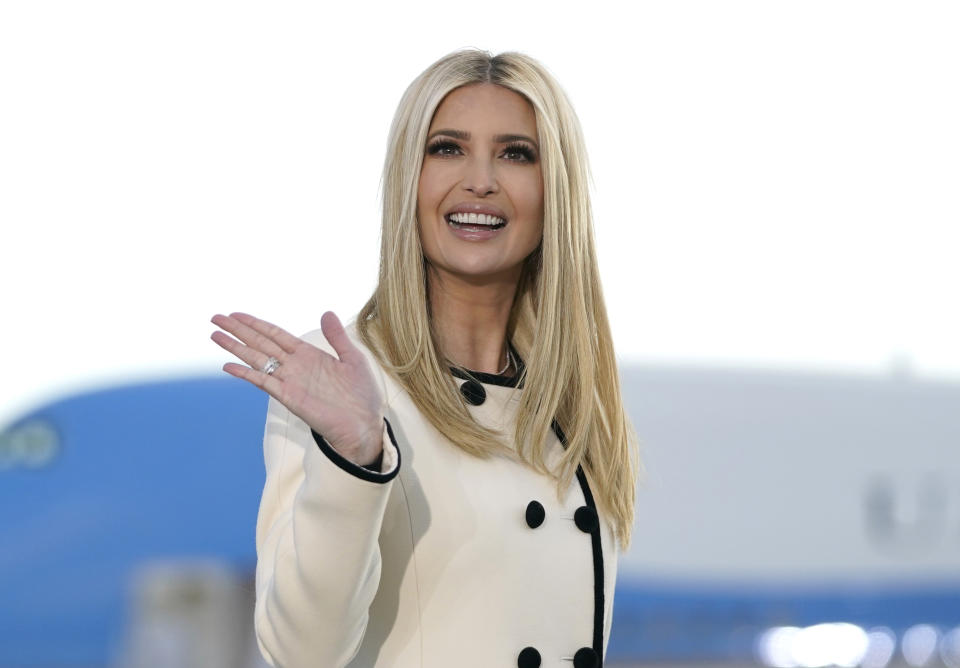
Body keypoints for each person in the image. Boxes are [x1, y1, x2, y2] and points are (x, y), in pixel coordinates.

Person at [211, 49, 639, 668]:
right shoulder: (342, 381)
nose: (480, 180)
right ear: (407, 178)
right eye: (446, 148)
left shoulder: (573, 399)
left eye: (516, 153)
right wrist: (354, 457)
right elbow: (301, 654)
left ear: (557, 190)